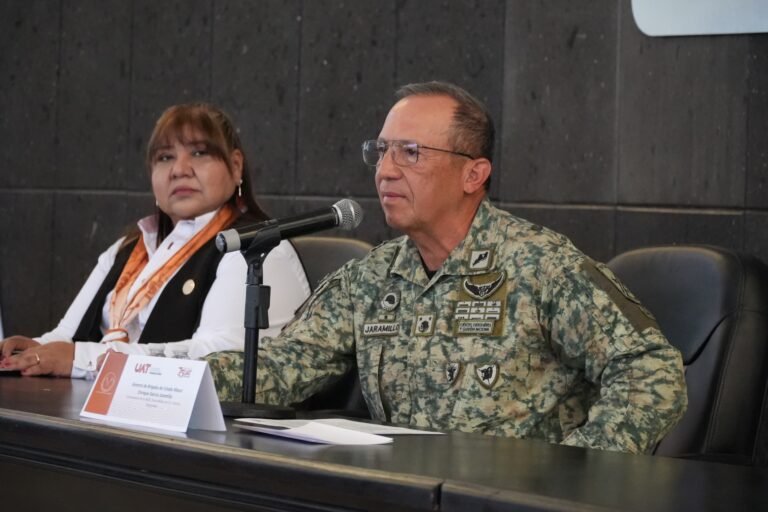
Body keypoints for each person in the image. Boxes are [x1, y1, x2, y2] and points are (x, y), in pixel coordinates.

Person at [207, 82, 687, 453]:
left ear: (473, 174)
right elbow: (279, 368)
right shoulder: (372, 278)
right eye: (381, 151)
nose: (386, 170)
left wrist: (578, 471)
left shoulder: (538, 265)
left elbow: (652, 371)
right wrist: (154, 377)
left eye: (410, 153)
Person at [0, 103, 311, 378]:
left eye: (199, 152)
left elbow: (218, 359)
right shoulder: (127, 250)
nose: (179, 170)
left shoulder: (256, 248)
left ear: (235, 165)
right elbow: (67, 336)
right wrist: (31, 351)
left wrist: (84, 360)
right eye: (165, 157)